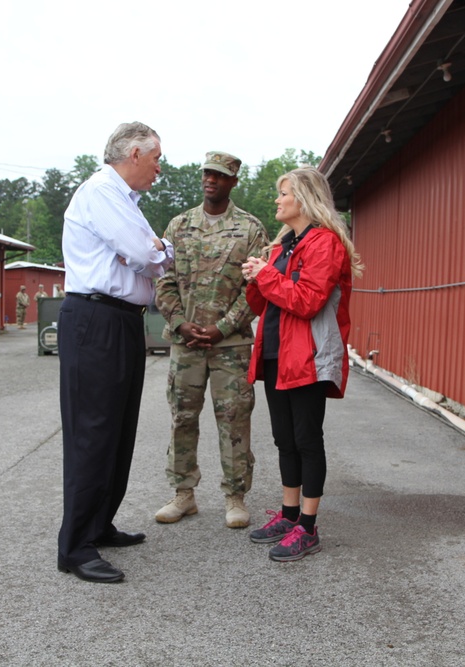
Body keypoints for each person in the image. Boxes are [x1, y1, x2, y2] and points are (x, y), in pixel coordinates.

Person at [57, 121, 174, 583]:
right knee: (93, 431)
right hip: (95, 317)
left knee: (119, 428)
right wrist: (155, 250)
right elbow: (146, 255)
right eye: (156, 158)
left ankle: (100, 522)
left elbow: (149, 255)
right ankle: (76, 546)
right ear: (133, 154)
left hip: (122, 319)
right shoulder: (102, 191)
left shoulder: (127, 202)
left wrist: (153, 251)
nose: (160, 168)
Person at [241, 167, 364, 562]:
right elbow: (261, 305)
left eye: (284, 193)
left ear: (305, 198)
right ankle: (289, 513)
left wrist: (267, 277)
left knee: (307, 440)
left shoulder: (324, 243)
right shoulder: (281, 247)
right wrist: (255, 278)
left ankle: (308, 528)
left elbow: (308, 301)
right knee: (284, 438)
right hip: (277, 353)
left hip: (308, 356)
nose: (277, 200)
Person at [154, 151, 269, 529]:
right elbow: (163, 280)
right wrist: (179, 322)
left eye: (220, 176)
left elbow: (257, 287)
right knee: (182, 417)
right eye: (207, 173)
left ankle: (235, 497)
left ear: (233, 181)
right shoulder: (179, 225)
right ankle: (183, 494)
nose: (211, 180)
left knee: (233, 420)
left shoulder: (250, 229)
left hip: (230, 345)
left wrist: (225, 326)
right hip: (185, 343)